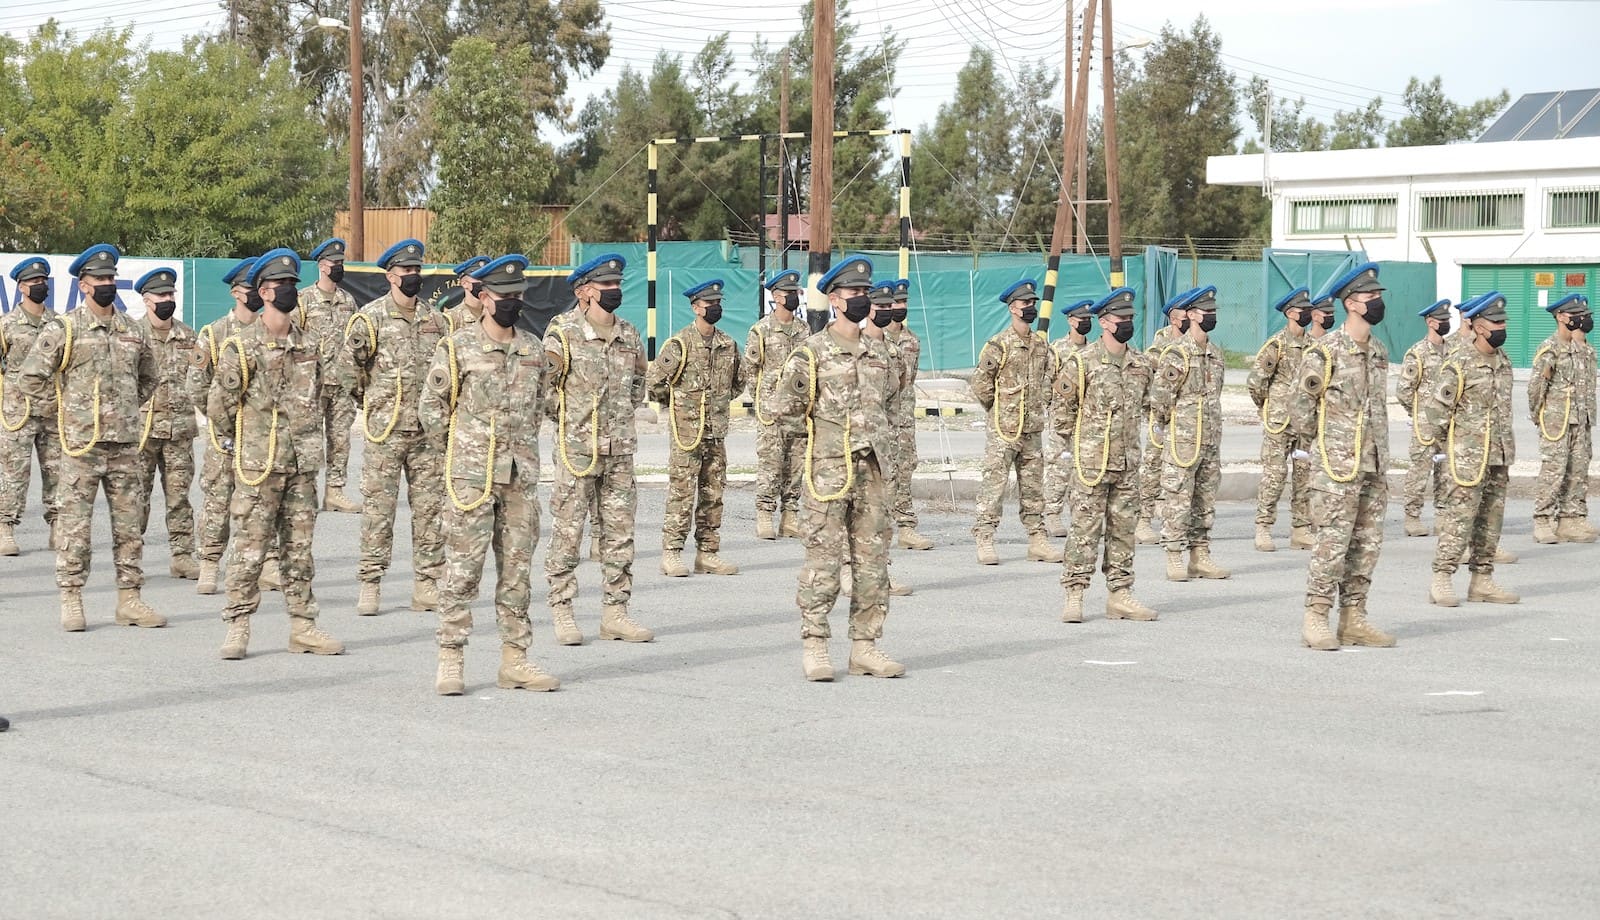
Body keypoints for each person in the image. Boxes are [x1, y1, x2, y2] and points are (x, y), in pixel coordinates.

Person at [420, 254, 559, 694]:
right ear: (482, 297)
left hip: (520, 477)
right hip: (471, 478)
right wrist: (461, 454)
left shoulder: (533, 349)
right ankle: (451, 658)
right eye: (505, 296)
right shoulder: (456, 346)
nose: (513, 303)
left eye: (519, 296)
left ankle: (515, 660)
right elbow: (432, 409)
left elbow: (540, 407)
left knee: (517, 573)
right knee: (462, 572)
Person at [16, 244, 164, 631]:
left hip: (125, 447)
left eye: (112, 278)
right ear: (83, 285)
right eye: (100, 279)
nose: (107, 284)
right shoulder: (64, 328)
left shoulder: (133, 329)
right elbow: (29, 378)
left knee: (130, 527)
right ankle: (71, 597)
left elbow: (149, 377)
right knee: (74, 528)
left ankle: (129, 599)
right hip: (80, 448)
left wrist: (125, 408)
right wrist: (66, 411)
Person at [770, 255, 904, 680]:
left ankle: (865, 646)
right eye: (854, 293)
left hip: (874, 472)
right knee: (823, 562)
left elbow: (890, 400)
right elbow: (784, 409)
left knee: (872, 562)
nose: (863, 299)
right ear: (833, 299)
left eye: (866, 293)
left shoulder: (879, 352)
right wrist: (822, 439)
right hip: (829, 472)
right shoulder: (811, 353)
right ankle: (815, 645)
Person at [208, 248, 344, 659]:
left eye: (292, 285)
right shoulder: (241, 347)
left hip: (301, 466)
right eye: (281, 286)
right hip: (258, 467)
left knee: (299, 552)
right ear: (263, 293)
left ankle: (303, 626)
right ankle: (237, 625)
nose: (289, 291)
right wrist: (242, 445)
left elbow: (323, 398)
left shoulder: (310, 345)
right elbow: (219, 407)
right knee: (249, 550)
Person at [543, 253, 653, 644]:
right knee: (568, 533)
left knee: (620, 534)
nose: (615, 291)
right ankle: (563, 610)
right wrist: (572, 422)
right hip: (577, 451)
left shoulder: (629, 333)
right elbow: (546, 391)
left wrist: (619, 417)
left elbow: (639, 384)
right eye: (606, 285)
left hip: (620, 451)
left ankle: (616, 613)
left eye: (617, 284)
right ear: (585, 292)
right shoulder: (562, 334)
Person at [1290, 262, 1395, 650]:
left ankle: (1354, 618)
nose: (1378, 303)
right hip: (1336, 468)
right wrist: (1327, 443)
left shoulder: (1379, 352)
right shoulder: (1325, 351)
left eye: (1379, 297)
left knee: (1366, 545)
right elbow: (1300, 408)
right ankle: (1316, 617)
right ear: (1351, 303)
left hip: (1373, 464)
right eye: (1371, 297)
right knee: (1331, 545)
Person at [343, 238, 448, 616]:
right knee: (378, 513)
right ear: (390, 275)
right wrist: (373, 404)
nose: (413, 276)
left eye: (417, 270)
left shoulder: (436, 319)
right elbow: (348, 372)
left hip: (427, 434)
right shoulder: (369, 318)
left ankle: (427, 584)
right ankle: (371, 584)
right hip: (385, 432)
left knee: (431, 511)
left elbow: (446, 371)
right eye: (406, 271)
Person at [1053, 288, 1158, 623]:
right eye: (1120, 318)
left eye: (1129, 318)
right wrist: (1084, 447)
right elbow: (1063, 412)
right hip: (1091, 465)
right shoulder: (1082, 363)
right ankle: (1074, 593)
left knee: (1123, 530)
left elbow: (1146, 406)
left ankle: (1120, 594)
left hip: (1127, 463)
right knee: (1084, 529)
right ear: (1104, 322)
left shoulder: (1140, 364)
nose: (1126, 323)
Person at [1422, 292, 1519, 607]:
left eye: (1504, 321)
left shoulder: (1503, 361)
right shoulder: (1459, 363)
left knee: (1492, 520)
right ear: (1477, 326)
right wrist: (1455, 448)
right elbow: (1436, 413)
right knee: (1459, 520)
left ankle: (1482, 580)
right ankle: (1442, 578)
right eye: (1495, 322)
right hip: (1466, 459)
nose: (1502, 327)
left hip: (1499, 454)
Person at [191, 257, 279, 595]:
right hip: (224, 437)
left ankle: (268, 563)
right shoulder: (214, 334)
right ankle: (210, 564)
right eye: (248, 290)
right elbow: (197, 386)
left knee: (262, 501)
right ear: (235, 293)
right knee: (217, 499)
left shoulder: (271, 331)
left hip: (260, 439)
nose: (253, 296)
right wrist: (223, 422)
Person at [649, 279, 744, 577]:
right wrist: (679, 405)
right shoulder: (679, 344)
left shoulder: (727, 344)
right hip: (687, 435)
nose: (714, 307)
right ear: (695, 307)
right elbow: (654, 384)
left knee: (713, 494)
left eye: (717, 303)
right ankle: (672, 553)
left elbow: (737, 382)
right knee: (681, 493)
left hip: (716, 433)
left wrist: (718, 402)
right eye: (708, 304)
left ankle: (708, 553)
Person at [970, 279, 1062, 566]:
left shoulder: (1040, 345)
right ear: (1012, 308)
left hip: (1032, 430)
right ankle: (985, 537)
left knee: (1034, 488)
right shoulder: (1000, 344)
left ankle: (1037, 539)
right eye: (1025, 304)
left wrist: (1042, 402)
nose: (1031, 308)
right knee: (994, 487)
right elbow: (980, 383)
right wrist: (997, 409)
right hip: (1004, 430)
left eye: (1033, 303)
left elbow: (1049, 377)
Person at [1148, 286, 1229, 582]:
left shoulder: (1216, 355)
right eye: (1207, 312)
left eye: (1214, 311)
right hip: (1183, 441)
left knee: (1205, 500)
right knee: (1178, 499)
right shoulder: (1176, 353)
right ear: (1192, 315)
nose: (1212, 316)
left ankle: (1200, 555)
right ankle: (1174, 555)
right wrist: (1171, 425)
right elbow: (1160, 397)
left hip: (1210, 440)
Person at [132, 267, 199, 580]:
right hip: (141, 432)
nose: (167, 299)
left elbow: (201, 382)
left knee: (179, 498)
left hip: (180, 432)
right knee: (135, 498)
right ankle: (130, 558)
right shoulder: (131, 335)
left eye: (171, 294)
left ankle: (182, 556)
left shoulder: (189, 337)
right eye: (161, 295)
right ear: (147, 300)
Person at [0, 257, 62, 556]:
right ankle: (6, 527)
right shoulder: (7, 325)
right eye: (35, 282)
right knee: (14, 473)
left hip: (52, 410)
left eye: (44, 281)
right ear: (22, 287)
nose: (41, 286)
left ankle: (57, 526)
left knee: (58, 472)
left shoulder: (59, 323)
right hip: (18, 413)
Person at [1247, 288, 1315, 553]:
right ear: (1290, 313)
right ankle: (1263, 528)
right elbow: (1256, 382)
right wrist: (1268, 406)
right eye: (1302, 310)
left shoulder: (1314, 346)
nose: (1307, 314)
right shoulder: (1276, 346)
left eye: (1308, 309)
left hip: (1305, 422)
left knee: (1304, 475)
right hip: (1279, 421)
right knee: (1275, 475)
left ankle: (1300, 529)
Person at [297, 237, 362, 513]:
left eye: (342, 263)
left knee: (340, 439)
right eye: (335, 263)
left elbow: (356, 340)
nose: (339, 267)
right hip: (313, 384)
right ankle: (305, 492)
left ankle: (334, 492)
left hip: (342, 383)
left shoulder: (348, 301)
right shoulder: (303, 300)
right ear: (322, 266)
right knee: (309, 439)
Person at [745, 270, 809, 540]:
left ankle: (790, 515)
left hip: (798, 409)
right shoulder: (761, 330)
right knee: (770, 465)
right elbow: (751, 370)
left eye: (795, 292)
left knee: (796, 465)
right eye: (788, 293)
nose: (793, 297)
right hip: (771, 410)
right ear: (776, 296)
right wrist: (765, 400)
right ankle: (764, 514)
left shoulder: (803, 329)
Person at [1528, 293, 1596, 544]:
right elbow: (1536, 388)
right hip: (1556, 422)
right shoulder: (1550, 349)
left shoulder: (1584, 350)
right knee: (1554, 471)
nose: (1581, 320)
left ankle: (1571, 519)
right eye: (1576, 315)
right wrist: (1539, 416)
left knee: (1578, 470)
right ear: (1560, 317)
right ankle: (1542, 519)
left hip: (1581, 419)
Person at [1396, 299, 1453, 538]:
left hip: (1449, 421)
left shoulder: (1453, 350)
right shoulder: (1418, 353)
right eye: (1442, 320)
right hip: (1425, 424)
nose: (1446, 324)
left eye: (1448, 320)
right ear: (1430, 322)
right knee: (1420, 470)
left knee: (1446, 471)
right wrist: (1418, 412)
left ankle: (1442, 516)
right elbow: (1404, 390)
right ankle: (1412, 517)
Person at [886, 277, 933, 550]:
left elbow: (909, 380)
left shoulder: (912, 341)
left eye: (903, 302)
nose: (900, 306)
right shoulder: (871, 340)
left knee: (905, 469)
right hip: (877, 418)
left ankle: (905, 526)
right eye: (895, 302)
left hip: (903, 419)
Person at [1043, 298, 1095, 539]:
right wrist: (1050, 410)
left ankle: (1081, 515)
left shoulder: (1093, 350)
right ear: (1070, 321)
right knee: (1058, 467)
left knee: (1085, 468)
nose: (1085, 322)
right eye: (1080, 319)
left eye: (1088, 319)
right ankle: (1052, 514)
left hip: (1087, 419)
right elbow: (1047, 383)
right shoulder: (1057, 349)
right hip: (1063, 418)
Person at [1135, 299, 1184, 544]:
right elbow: (1142, 380)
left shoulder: (1193, 344)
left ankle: (1174, 523)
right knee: (1153, 468)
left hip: (1187, 421)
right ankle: (1143, 520)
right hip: (1162, 419)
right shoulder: (1159, 349)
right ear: (1174, 318)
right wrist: (1151, 410)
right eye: (1186, 313)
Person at [440, 255, 491, 333]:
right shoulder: (451, 318)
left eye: (487, 277)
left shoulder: (495, 314)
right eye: (479, 278)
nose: (483, 282)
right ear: (464, 283)